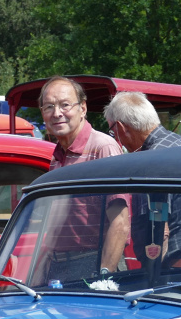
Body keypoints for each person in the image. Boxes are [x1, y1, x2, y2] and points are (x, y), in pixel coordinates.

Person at [104, 91, 181, 269]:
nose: (118, 140)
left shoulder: (150, 161)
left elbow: (159, 226)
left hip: (172, 267)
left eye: (112, 131)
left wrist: (153, 276)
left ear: (122, 128)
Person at [39, 76, 129, 279]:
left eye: (65, 105)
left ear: (83, 109)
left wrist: (103, 278)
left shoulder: (103, 148)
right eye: (49, 107)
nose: (57, 113)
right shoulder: (57, 156)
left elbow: (120, 221)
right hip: (59, 265)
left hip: (93, 262)